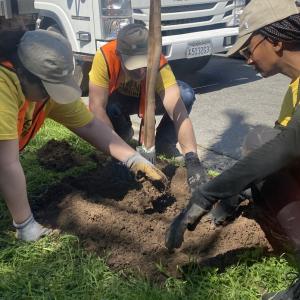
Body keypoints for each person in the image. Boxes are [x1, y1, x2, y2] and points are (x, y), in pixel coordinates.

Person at [165, 0, 300, 298]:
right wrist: (236, 190)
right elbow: (274, 151)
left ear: (276, 41)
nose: (247, 60)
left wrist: (207, 193)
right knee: (262, 151)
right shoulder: (295, 87)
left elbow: (287, 148)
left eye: (248, 49)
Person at [0, 19, 167, 242]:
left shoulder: (43, 88)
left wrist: (133, 159)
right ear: (24, 74)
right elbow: (6, 162)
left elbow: (89, 125)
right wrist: (25, 224)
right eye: (48, 89)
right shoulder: (4, 85)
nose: (51, 95)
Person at [88, 23, 198, 161]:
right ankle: (123, 135)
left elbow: (178, 112)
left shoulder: (157, 59)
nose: (141, 72)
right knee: (109, 107)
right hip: (121, 101)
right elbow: (96, 107)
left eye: (144, 64)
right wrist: (118, 151)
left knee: (185, 95)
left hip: (152, 99)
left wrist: (192, 158)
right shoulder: (105, 57)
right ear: (119, 55)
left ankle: (164, 144)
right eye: (134, 65)